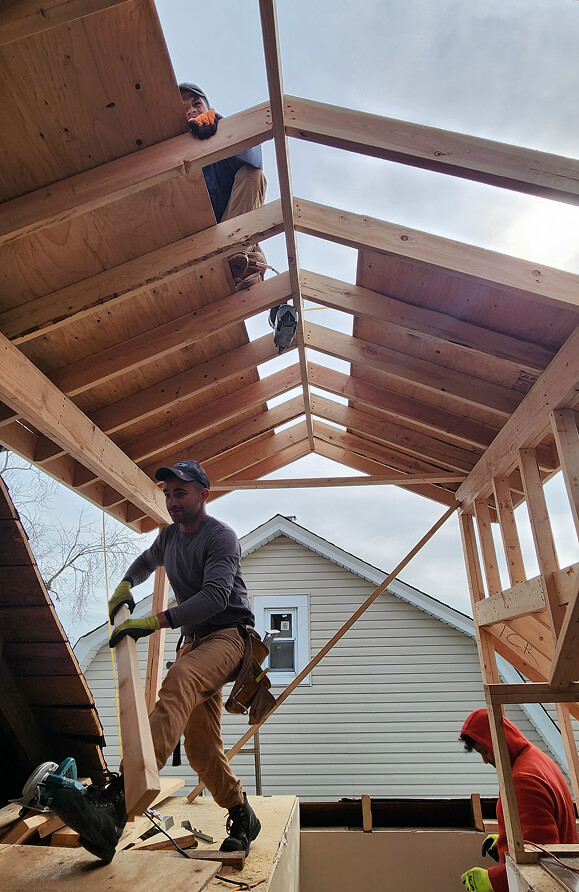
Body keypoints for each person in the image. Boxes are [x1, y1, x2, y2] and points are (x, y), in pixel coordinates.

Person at [50, 459, 261, 864]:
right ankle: (241, 814)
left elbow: (216, 597)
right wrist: (126, 586)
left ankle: (117, 801)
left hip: (229, 637)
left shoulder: (222, 538)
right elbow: (147, 561)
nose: (171, 501)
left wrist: (153, 622)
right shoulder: (168, 538)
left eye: (180, 493)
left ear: (203, 494)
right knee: (200, 749)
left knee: (180, 676)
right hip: (196, 641)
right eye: (166, 494)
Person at [459, 708, 577, 892]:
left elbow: (540, 861)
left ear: (497, 741)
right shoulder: (535, 758)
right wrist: (508, 842)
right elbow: (540, 834)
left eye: (484, 750)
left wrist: (492, 880)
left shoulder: (522, 779)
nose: (484, 760)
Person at [180, 82, 267, 291]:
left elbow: (254, 159)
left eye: (196, 104)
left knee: (252, 175)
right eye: (183, 109)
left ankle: (235, 260)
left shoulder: (227, 145)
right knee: (254, 264)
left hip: (235, 239)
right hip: (198, 243)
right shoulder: (173, 159)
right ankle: (243, 268)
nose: (191, 110)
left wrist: (223, 130)